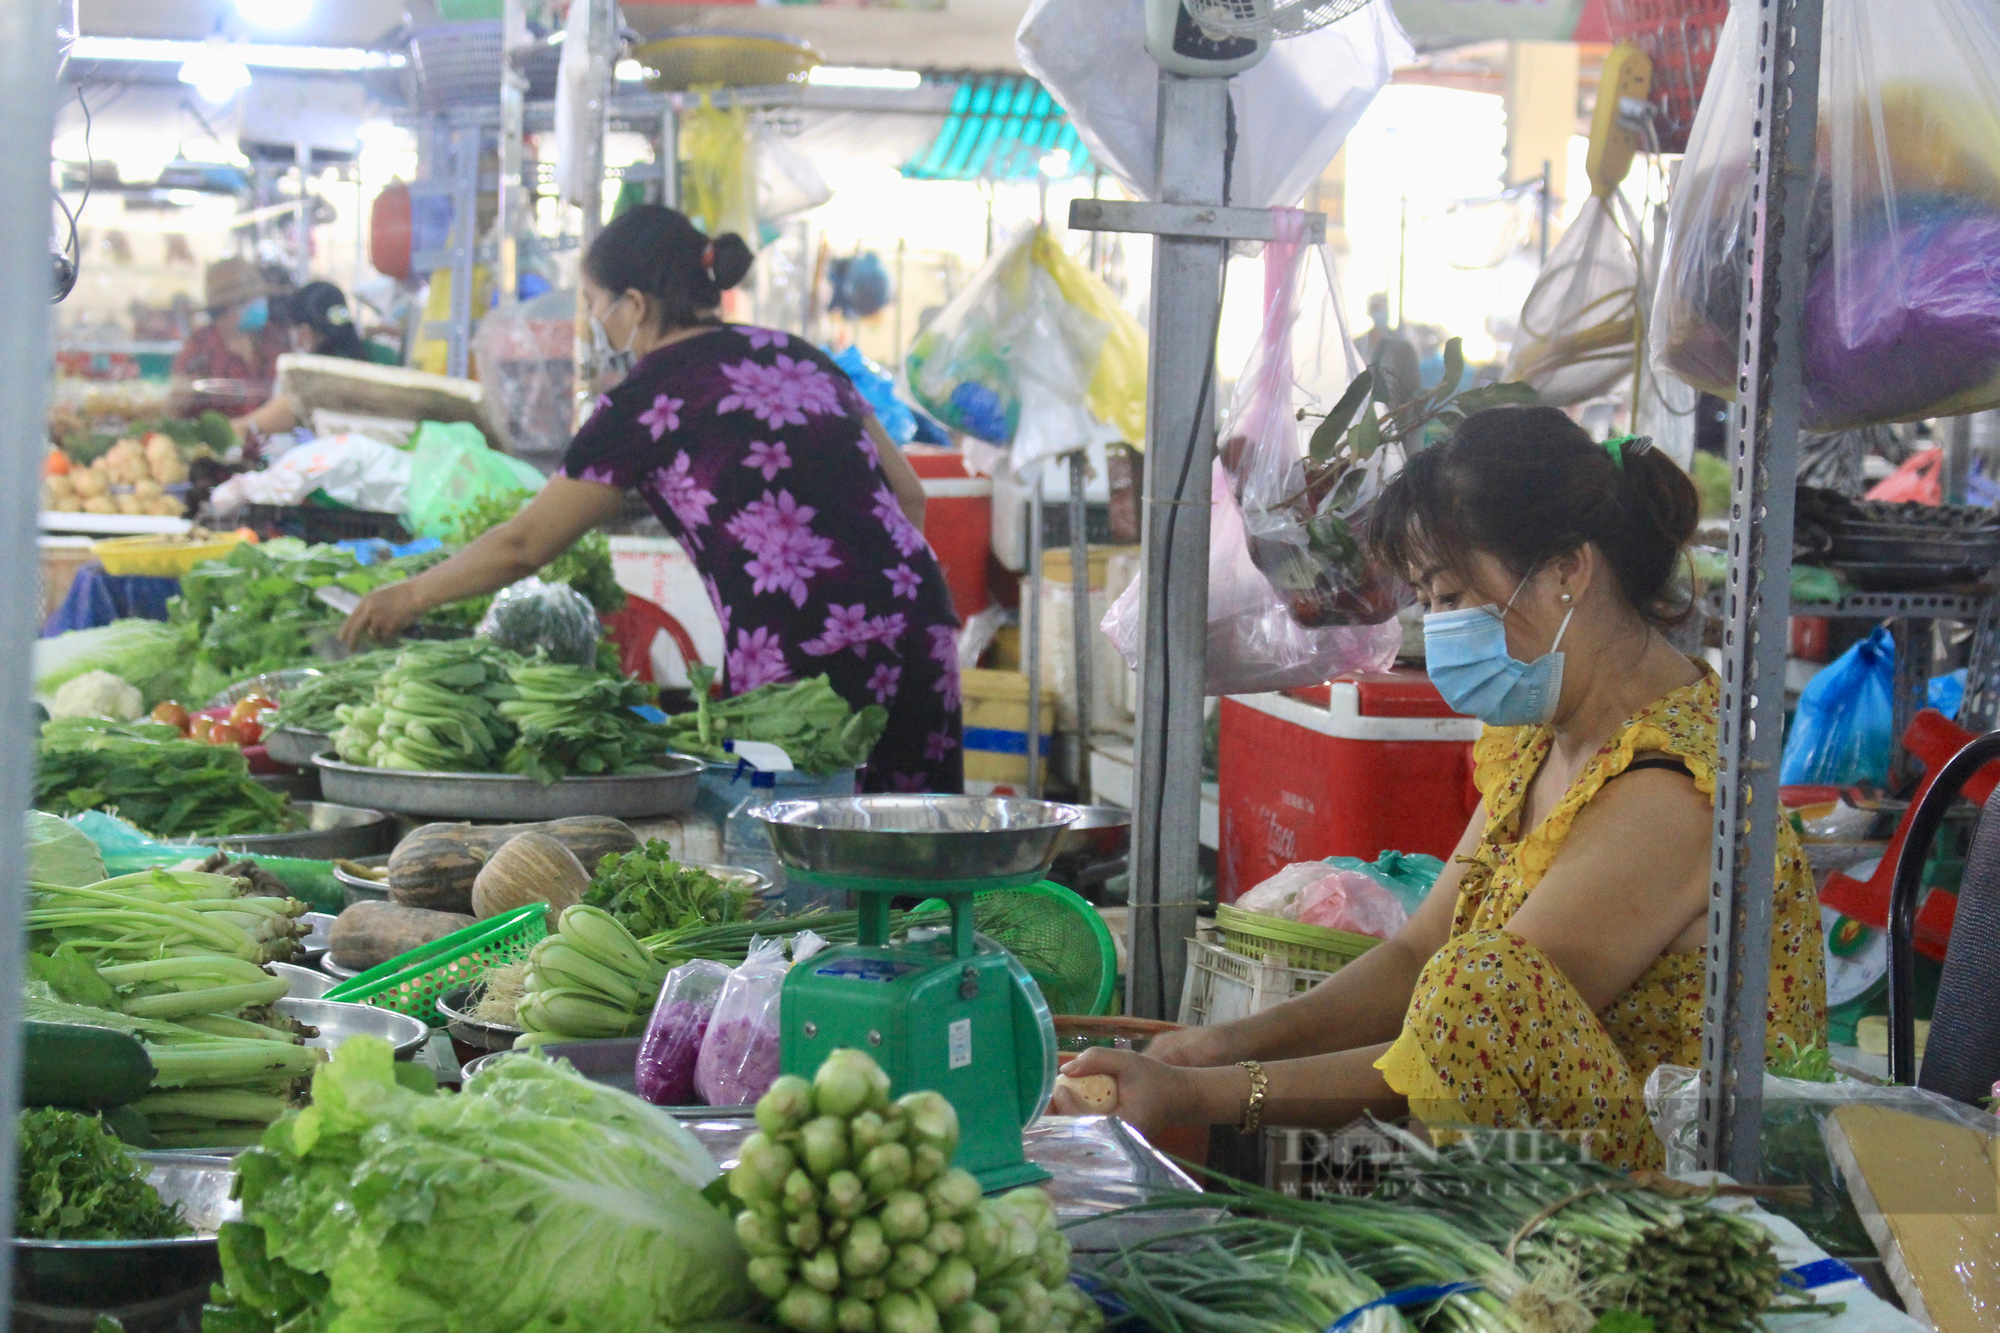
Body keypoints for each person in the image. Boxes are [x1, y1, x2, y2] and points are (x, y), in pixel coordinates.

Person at [1054, 407, 1827, 1169]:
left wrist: (1203, 1095)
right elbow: (1416, 954)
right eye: (1426, 597)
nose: (1437, 622)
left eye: (1450, 595)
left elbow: (1467, 1034)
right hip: (1543, 1161)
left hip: (1688, 1189)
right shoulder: (1542, 736)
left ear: (1567, 569)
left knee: (1482, 982)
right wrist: (1218, 1044)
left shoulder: (1678, 794)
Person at [340, 206, 964, 793]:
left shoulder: (646, 400)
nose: (594, 322)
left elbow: (526, 545)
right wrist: (881, 586)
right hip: (920, 608)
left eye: (593, 304)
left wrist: (412, 593)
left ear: (633, 303)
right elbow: (907, 493)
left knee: (813, 841)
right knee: (920, 835)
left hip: (803, 635)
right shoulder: (794, 354)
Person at [233, 282, 397, 439]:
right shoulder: (384, 355)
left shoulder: (311, 372)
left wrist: (243, 426)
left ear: (304, 333)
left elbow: (291, 406)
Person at [171, 258, 288, 418]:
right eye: (252, 299)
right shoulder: (200, 347)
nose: (261, 303)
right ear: (230, 306)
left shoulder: (274, 338)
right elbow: (178, 404)